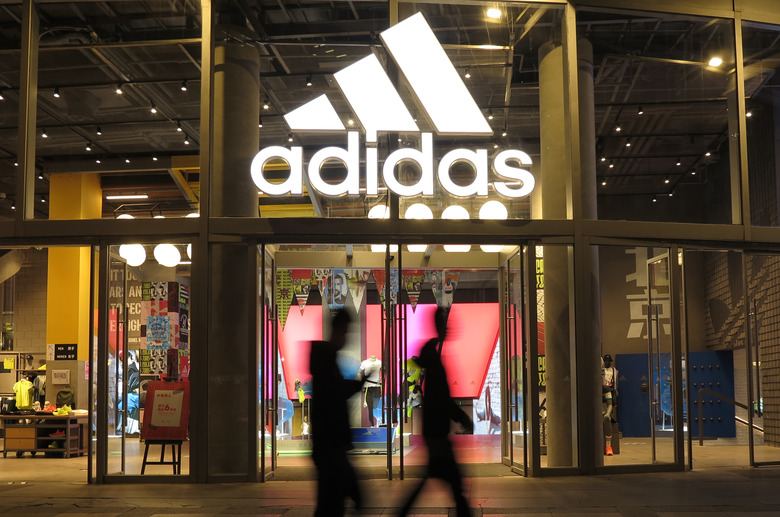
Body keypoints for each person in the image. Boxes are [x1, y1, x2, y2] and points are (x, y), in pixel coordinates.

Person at [398, 307, 473, 517]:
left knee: (439, 478)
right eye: (445, 322)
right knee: (454, 482)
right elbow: (440, 396)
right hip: (436, 430)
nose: (450, 327)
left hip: (434, 428)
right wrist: (461, 417)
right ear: (440, 325)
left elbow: (438, 395)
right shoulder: (433, 353)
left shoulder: (432, 351)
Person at [309, 309, 364, 516]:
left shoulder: (325, 361)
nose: (347, 338)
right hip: (331, 446)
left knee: (328, 503)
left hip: (328, 446)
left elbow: (336, 392)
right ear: (339, 330)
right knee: (330, 505)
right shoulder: (327, 362)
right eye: (347, 332)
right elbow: (335, 398)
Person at [602, 354, 618, 456]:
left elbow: (610, 403)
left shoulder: (613, 370)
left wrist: (607, 414)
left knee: (607, 420)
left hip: (609, 391)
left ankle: (608, 446)